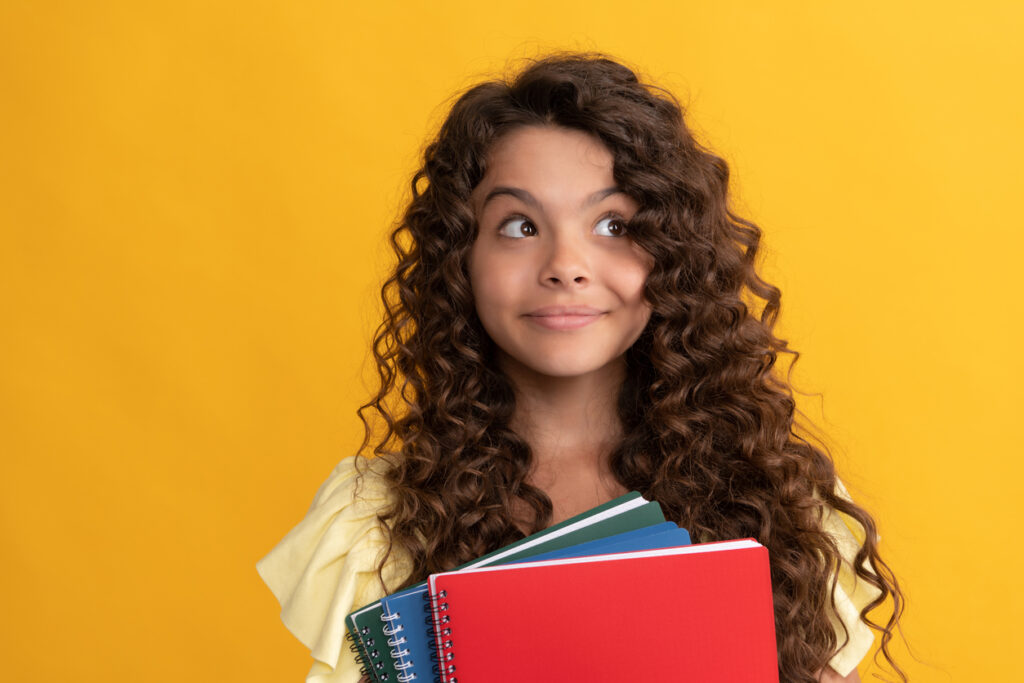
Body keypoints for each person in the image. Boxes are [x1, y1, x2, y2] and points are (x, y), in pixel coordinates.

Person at [256, 51, 906, 683]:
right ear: (462, 257)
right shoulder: (373, 526)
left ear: (671, 254)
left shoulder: (777, 501)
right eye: (519, 225)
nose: (566, 265)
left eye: (613, 224)